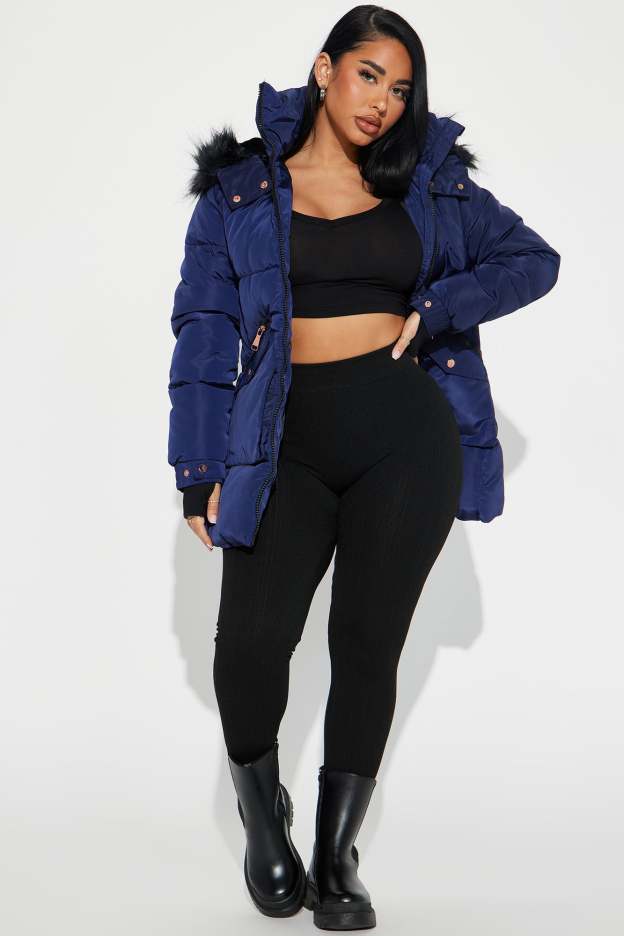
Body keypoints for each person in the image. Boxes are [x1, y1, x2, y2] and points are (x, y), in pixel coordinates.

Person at [166, 6, 560, 929]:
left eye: (401, 87)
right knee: (249, 647)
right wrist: (197, 466)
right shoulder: (240, 191)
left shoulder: (431, 184)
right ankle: (263, 811)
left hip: (403, 437)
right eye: (369, 74)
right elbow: (204, 330)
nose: (382, 101)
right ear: (324, 69)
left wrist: (445, 303)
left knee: (367, 643)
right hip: (283, 440)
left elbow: (533, 259)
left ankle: (337, 850)